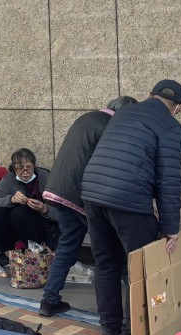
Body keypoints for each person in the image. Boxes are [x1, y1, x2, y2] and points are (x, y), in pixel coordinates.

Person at [81, 79, 181, 335]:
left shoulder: (124, 112)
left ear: (148, 94)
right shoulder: (171, 127)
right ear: (178, 108)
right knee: (138, 267)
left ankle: (108, 326)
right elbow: (168, 180)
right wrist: (170, 228)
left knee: (105, 262)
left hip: (93, 191)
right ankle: (132, 334)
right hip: (128, 198)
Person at [38, 96, 138, 318]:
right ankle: (136, 302)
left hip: (58, 188)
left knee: (67, 244)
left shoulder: (87, 118)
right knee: (114, 250)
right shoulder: (111, 126)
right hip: (81, 193)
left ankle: (49, 299)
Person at [0, 148, 54, 256]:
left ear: (34, 166)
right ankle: (6, 253)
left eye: (29, 167)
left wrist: (44, 208)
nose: (25, 172)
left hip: (39, 225)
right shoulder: (9, 178)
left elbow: (60, 209)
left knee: (19, 212)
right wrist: (11, 199)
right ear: (14, 168)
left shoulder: (44, 176)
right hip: (16, 227)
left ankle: (36, 252)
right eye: (20, 169)